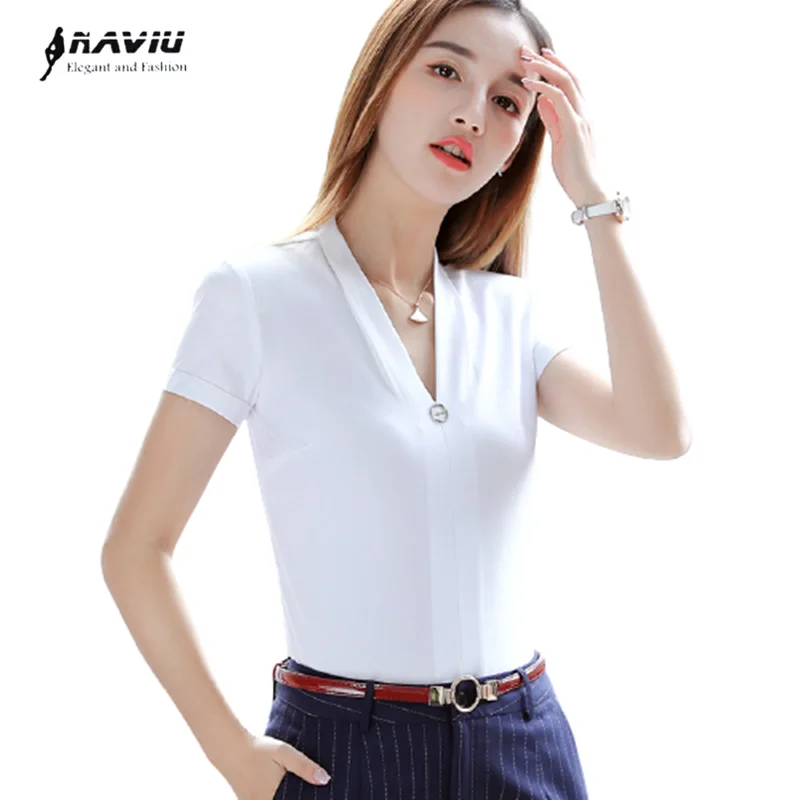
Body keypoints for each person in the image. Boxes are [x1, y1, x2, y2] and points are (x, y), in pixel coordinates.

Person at [101, 0, 678, 797]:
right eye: (445, 70)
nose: (472, 115)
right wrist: (232, 753)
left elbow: (660, 430)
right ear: (381, 79)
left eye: (507, 102)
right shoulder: (255, 295)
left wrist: (594, 198)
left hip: (524, 743)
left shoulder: (510, 315)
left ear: (520, 148)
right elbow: (136, 548)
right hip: (345, 748)